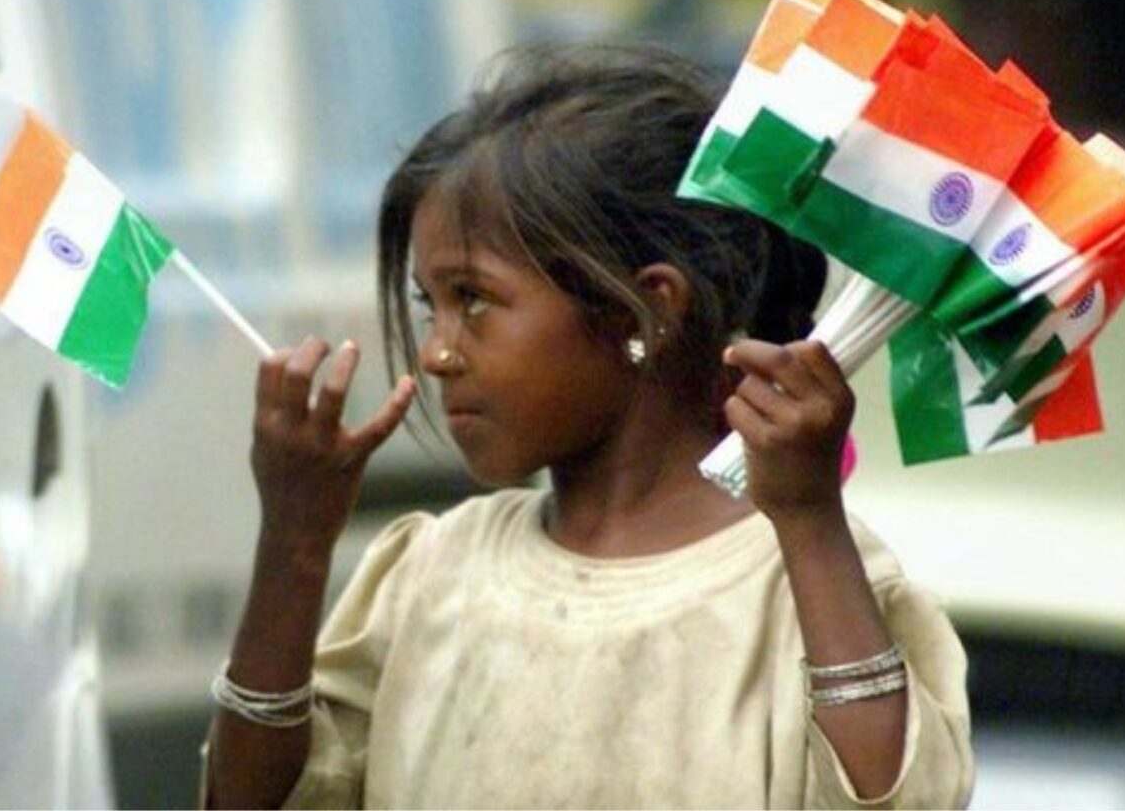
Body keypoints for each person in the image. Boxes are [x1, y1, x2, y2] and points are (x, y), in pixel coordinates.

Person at [202, 45, 973, 808]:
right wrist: (294, 542)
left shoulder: (800, 581)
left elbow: (899, 800)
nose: (436, 352)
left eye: (474, 299)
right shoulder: (426, 577)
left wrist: (808, 518)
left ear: (647, 310)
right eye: (428, 306)